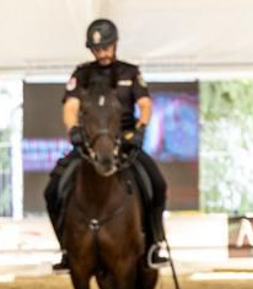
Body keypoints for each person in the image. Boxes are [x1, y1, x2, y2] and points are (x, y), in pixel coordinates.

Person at [44, 19, 168, 272]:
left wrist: (141, 128)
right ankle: (67, 249)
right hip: (90, 145)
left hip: (125, 143)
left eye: (106, 48)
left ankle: (154, 243)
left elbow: (145, 104)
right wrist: (74, 131)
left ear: (115, 45)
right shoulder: (82, 75)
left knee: (157, 184)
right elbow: (70, 108)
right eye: (97, 49)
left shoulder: (130, 73)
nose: (102, 53)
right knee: (52, 190)